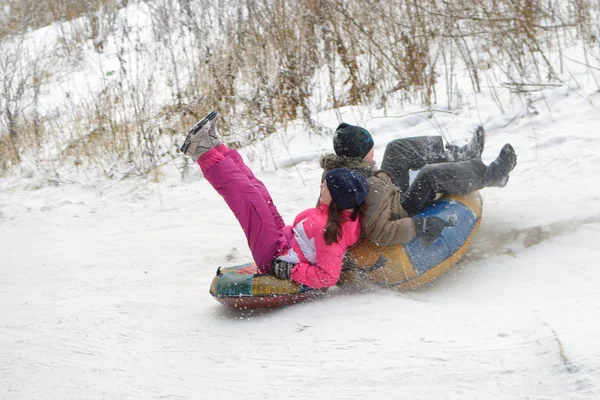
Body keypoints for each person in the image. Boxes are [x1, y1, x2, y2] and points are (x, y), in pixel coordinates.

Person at [181, 111, 369, 289]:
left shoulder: (332, 234)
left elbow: (327, 276)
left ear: (336, 198)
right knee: (258, 190)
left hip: (275, 256)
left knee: (249, 199)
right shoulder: (334, 214)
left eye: (325, 187)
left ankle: (201, 151)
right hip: (284, 240)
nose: (321, 187)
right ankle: (215, 146)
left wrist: (290, 270)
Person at [320, 123, 517, 247]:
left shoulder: (338, 174)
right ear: (359, 155)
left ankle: (459, 155)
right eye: (370, 150)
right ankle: (492, 176)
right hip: (400, 210)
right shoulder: (367, 185)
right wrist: (417, 226)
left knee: (396, 148)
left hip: (389, 194)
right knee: (429, 175)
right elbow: (380, 232)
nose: (373, 153)